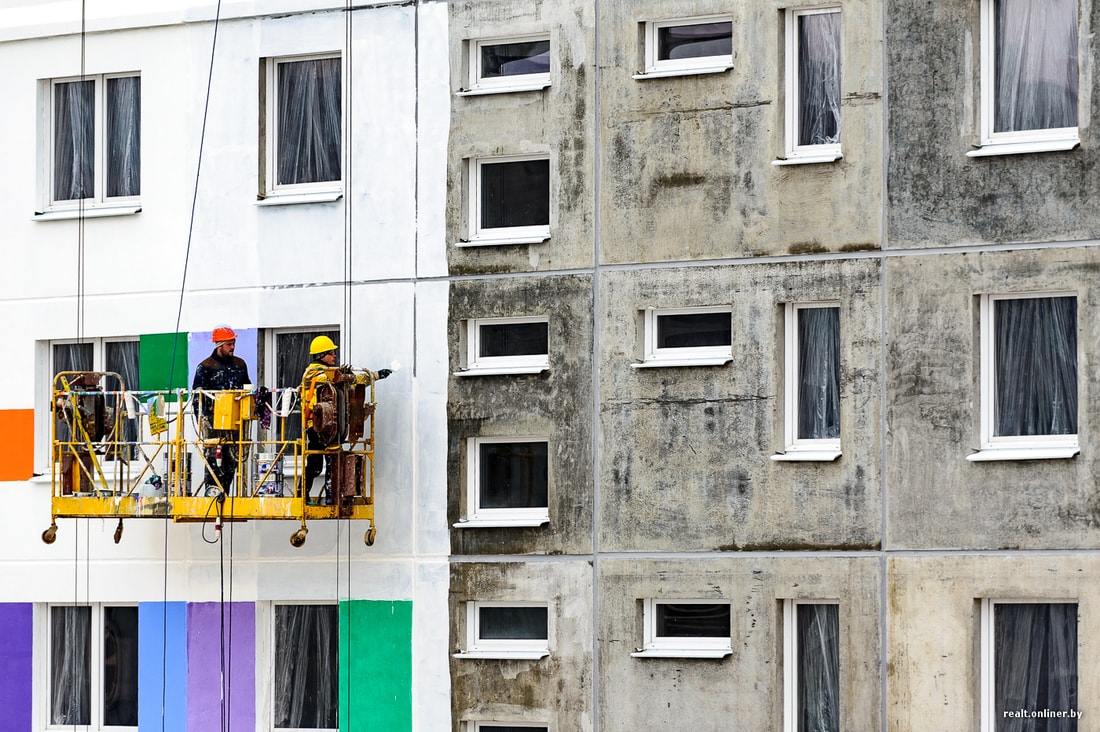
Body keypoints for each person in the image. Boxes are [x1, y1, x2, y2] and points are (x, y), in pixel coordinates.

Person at [301, 335, 391, 504]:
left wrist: (375, 376)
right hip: (317, 426)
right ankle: (305, 495)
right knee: (316, 464)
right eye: (331, 353)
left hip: (330, 426)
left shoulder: (326, 372)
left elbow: (349, 383)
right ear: (321, 355)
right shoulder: (313, 373)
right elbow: (334, 379)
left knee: (329, 461)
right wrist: (345, 375)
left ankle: (329, 496)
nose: (334, 356)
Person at [192, 326, 251, 495]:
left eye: (233, 343)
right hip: (214, 423)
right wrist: (204, 422)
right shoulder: (205, 367)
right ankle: (212, 493)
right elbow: (198, 398)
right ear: (220, 345)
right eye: (229, 344)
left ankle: (225, 492)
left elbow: (247, 387)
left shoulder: (240, 364)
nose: (233, 347)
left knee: (233, 458)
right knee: (214, 458)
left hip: (236, 421)